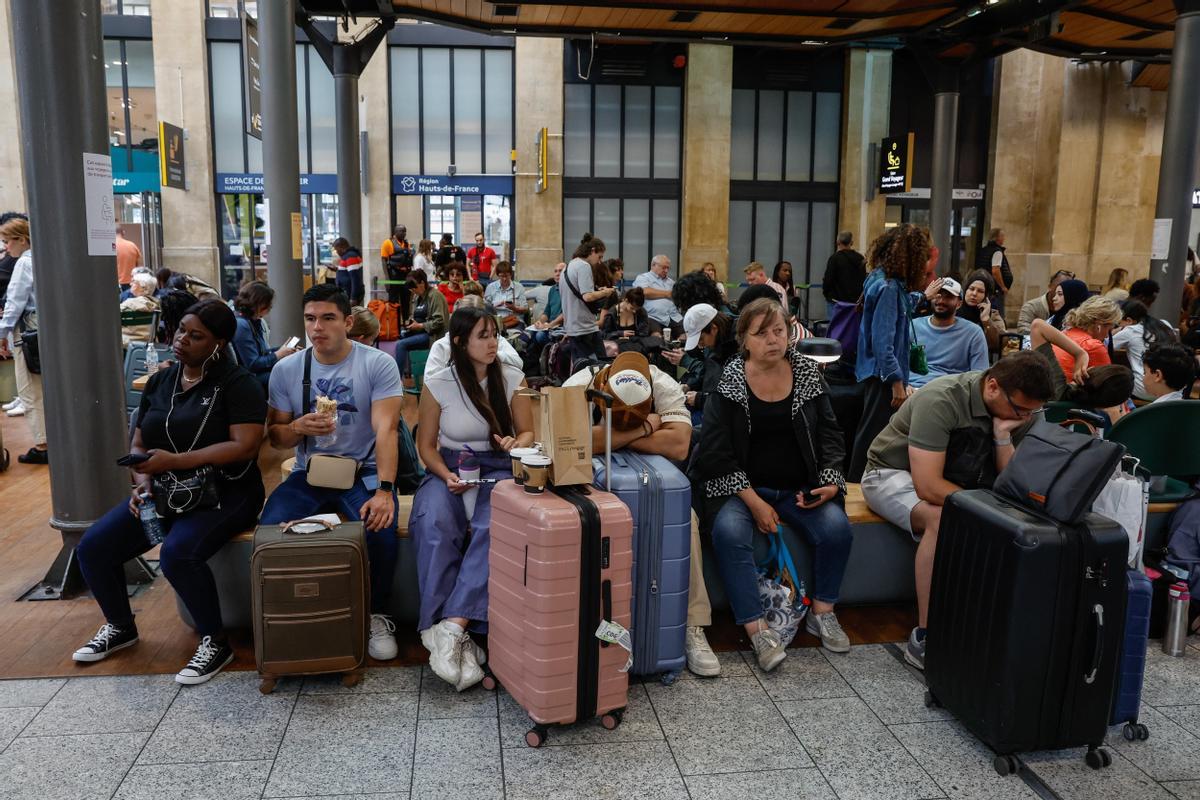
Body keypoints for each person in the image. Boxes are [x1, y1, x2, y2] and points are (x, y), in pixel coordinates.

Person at [72, 300, 266, 684]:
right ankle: (121, 626)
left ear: (220, 343)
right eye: (180, 331)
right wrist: (142, 482)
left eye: (196, 336)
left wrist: (173, 463)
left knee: (178, 553)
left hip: (228, 492)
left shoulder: (238, 383)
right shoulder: (162, 380)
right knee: (93, 548)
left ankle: (216, 641)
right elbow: (140, 438)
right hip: (164, 490)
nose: (182, 341)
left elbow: (244, 445)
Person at [860, 351, 1056, 669]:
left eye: (1032, 413)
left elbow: (1017, 486)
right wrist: (993, 512)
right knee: (943, 519)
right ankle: (925, 637)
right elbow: (928, 487)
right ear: (992, 386)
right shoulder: (942, 398)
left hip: (965, 485)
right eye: (1019, 409)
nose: (1025, 417)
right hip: (891, 474)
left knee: (1010, 521)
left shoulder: (1025, 411)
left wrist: (1003, 437)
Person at [691, 298, 852, 664]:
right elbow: (715, 454)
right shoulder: (729, 380)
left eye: (778, 331)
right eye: (761, 333)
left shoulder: (807, 374)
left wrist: (829, 481)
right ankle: (758, 631)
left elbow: (830, 434)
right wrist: (755, 502)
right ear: (744, 339)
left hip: (798, 487)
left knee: (837, 529)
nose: (772, 340)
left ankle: (823, 612)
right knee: (730, 533)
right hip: (739, 488)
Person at [259, 283, 404, 662]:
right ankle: (292, 614)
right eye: (310, 318)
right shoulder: (288, 369)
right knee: (272, 528)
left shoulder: (376, 363)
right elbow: (275, 437)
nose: (317, 327)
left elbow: (386, 430)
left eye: (327, 318)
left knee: (381, 529)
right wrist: (297, 430)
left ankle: (377, 613)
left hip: (364, 470)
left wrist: (385, 490)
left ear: (348, 321)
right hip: (310, 471)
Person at [565, 352, 720, 677]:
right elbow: (569, 445)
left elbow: (679, 444)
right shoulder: (579, 384)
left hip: (651, 486)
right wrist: (644, 429)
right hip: (587, 485)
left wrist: (607, 439)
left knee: (685, 520)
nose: (628, 418)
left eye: (636, 413)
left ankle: (692, 626)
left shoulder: (662, 382)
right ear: (603, 385)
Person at [411, 306, 534, 690]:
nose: (493, 343)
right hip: (447, 466)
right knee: (434, 521)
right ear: (461, 342)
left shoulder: (512, 377)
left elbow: (528, 432)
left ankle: (453, 626)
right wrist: (445, 475)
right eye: (483, 335)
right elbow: (425, 447)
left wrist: (516, 442)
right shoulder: (439, 382)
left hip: (498, 466)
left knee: (493, 526)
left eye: (495, 334)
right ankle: (442, 626)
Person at [847, 224, 932, 483]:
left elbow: (894, 313)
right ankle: (856, 486)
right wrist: (896, 381)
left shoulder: (879, 279)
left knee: (871, 432)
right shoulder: (889, 286)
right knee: (873, 435)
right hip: (884, 376)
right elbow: (883, 341)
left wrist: (921, 296)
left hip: (876, 373)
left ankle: (858, 484)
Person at [0, 217, 46, 464]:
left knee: (30, 388)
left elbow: (14, 303)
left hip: (28, 330)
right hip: (47, 329)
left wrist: (1, 334)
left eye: (7, 241)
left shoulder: (23, 264)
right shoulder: (45, 257)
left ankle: (42, 444)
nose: (6, 248)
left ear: (21, 239)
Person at [908, 278, 989, 389]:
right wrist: (903, 385)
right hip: (910, 389)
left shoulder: (973, 333)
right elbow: (898, 363)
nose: (941, 301)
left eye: (948, 297)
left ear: (959, 304)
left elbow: (979, 376)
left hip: (947, 393)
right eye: (938, 295)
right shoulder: (913, 326)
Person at [674, 302, 737, 423]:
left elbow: (733, 398)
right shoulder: (716, 341)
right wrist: (690, 385)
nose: (700, 344)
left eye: (700, 339)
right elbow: (709, 372)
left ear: (713, 328)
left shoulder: (738, 347)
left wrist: (701, 399)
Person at [560, 233, 616, 365]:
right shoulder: (584, 266)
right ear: (592, 251)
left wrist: (597, 291)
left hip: (573, 327)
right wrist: (606, 292)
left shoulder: (567, 267)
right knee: (598, 367)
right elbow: (587, 296)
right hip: (585, 328)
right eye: (599, 256)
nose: (600, 261)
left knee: (580, 368)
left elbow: (576, 295)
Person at [232, 281, 297, 393]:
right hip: (249, 378)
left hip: (256, 374)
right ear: (260, 304)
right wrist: (278, 354)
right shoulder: (242, 325)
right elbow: (253, 364)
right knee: (290, 376)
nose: (269, 309)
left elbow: (261, 352)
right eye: (268, 305)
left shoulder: (253, 321)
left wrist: (282, 349)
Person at [1113, 300, 1179, 401]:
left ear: (1129, 321)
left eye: (1119, 323)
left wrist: (1118, 330)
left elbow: (1105, 346)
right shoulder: (1165, 324)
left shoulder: (1130, 330)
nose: (1119, 326)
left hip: (1144, 390)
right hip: (1172, 389)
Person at [1051, 295, 1122, 383]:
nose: (1107, 336)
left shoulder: (1063, 334)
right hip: (1067, 394)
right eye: (1109, 329)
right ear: (1098, 325)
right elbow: (1109, 385)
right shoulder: (1093, 346)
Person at [395, 268, 447, 384]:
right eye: (411, 289)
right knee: (400, 338)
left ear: (422, 283)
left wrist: (420, 326)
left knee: (401, 344)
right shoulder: (417, 297)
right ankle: (408, 373)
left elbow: (439, 322)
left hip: (432, 335)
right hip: (420, 331)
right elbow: (414, 316)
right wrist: (410, 323)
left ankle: (396, 381)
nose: (413, 291)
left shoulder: (435, 296)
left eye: (414, 287)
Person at [633, 254, 683, 339]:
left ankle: (679, 351)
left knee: (686, 335)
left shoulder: (671, 282)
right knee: (656, 337)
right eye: (664, 267)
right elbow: (644, 292)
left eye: (668, 268)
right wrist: (667, 294)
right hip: (653, 316)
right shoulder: (643, 278)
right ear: (653, 265)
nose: (666, 270)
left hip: (673, 316)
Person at [959, 270, 1007, 353]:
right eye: (971, 289)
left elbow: (1000, 343)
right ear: (965, 290)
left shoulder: (992, 315)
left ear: (987, 296)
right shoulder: (953, 310)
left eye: (980, 291)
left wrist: (986, 320)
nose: (974, 294)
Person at [822, 231, 867, 320]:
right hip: (855, 304)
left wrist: (827, 294)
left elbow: (828, 280)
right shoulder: (860, 259)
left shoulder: (834, 259)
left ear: (837, 242)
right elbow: (864, 280)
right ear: (852, 243)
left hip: (836, 302)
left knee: (836, 330)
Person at [976, 228, 1012, 319]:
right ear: (997, 238)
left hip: (985, 285)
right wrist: (1003, 287)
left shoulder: (984, 250)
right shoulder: (997, 251)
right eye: (1002, 236)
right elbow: (995, 271)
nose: (1004, 238)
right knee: (997, 315)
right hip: (995, 289)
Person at [119, 272, 161, 347]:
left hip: (126, 344)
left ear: (143, 287)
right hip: (150, 343)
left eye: (134, 282)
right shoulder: (156, 305)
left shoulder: (128, 305)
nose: (130, 284)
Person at [483, 261, 528, 328]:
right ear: (497, 275)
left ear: (511, 274)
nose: (504, 279)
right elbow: (485, 308)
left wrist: (514, 308)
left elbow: (525, 309)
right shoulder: (490, 287)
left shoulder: (519, 287)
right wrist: (494, 306)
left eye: (507, 276)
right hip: (496, 321)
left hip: (514, 320)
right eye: (501, 276)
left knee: (517, 334)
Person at [380, 224, 414, 315]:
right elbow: (384, 261)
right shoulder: (388, 243)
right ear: (395, 232)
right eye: (401, 231)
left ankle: (406, 322)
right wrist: (387, 279)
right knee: (393, 302)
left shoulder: (407, 243)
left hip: (405, 275)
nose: (404, 233)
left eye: (405, 231)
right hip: (394, 275)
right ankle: (394, 325)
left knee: (406, 300)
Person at [331, 237, 365, 305]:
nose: (337, 252)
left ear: (342, 247)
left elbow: (355, 278)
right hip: (347, 293)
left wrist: (353, 298)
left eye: (337, 250)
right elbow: (348, 272)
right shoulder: (349, 255)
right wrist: (337, 269)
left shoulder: (350, 257)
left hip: (349, 294)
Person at [115, 226, 142, 291]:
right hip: (131, 283)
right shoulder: (132, 245)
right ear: (123, 232)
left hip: (116, 283)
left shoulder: (110, 246)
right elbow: (138, 265)